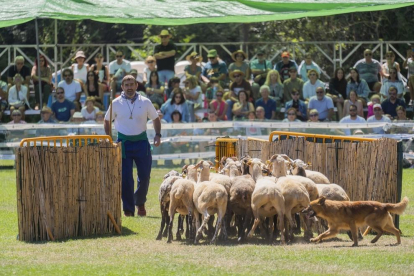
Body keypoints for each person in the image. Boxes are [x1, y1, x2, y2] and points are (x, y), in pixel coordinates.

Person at [104, 75, 161, 217]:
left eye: (132, 84)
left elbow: (155, 118)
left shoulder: (146, 102)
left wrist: (158, 134)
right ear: (122, 87)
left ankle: (140, 202)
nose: (129, 87)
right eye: (126, 85)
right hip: (123, 144)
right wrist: (109, 138)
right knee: (126, 178)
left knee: (145, 176)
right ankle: (128, 209)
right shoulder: (116, 103)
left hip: (142, 142)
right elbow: (106, 121)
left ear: (136, 85)